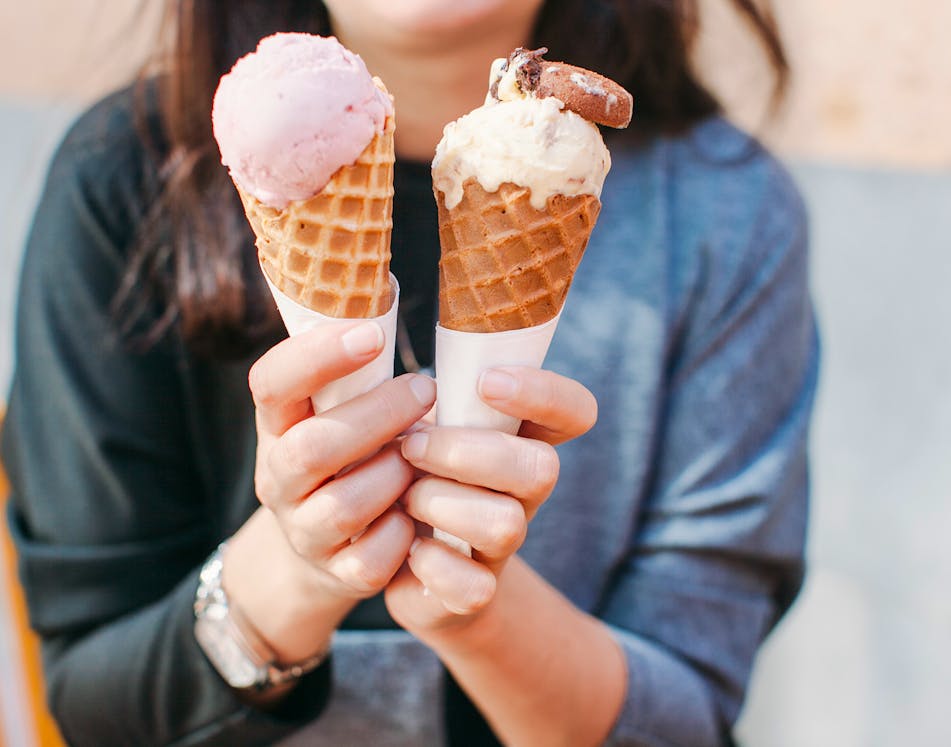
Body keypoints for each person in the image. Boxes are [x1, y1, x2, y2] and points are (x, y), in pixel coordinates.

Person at [2, 0, 818, 745]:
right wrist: (300, 566)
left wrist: (478, 615)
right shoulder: (124, 179)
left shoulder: (724, 217)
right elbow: (95, 705)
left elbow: (688, 717)